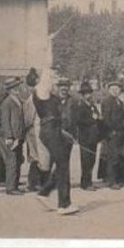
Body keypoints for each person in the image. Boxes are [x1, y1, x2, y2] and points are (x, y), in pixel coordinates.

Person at [33, 69, 79, 215]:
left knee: (61, 165)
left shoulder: (50, 97)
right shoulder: (42, 93)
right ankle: (64, 205)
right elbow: (45, 81)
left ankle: (44, 192)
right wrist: (48, 72)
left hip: (55, 131)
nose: (54, 82)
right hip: (51, 131)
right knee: (63, 165)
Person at [0, 76, 26, 194]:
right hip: (12, 137)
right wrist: (9, 136)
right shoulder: (7, 103)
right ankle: (10, 187)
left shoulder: (18, 100)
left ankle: (15, 184)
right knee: (12, 161)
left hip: (19, 136)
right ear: (10, 90)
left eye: (18, 86)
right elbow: (5, 121)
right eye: (15, 87)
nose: (18, 89)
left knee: (18, 160)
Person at [22, 68, 48, 190]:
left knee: (41, 156)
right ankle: (34, 182)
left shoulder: (36, 97)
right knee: (35, 156)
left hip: (40, 130)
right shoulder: (32, 99)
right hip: (34, 131)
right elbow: (28, 119)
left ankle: (40, 181)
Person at [73, 80, 101, 190]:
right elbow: (79, 120)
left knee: (92, 159)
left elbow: (97, 116)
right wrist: (92, 119)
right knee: (86, 160)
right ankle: (85, 183)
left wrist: (98, 118)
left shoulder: (92, 105)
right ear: (82, 95)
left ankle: (89, 181)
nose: (88, 95)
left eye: (89, 93)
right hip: (85, 137)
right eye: (86, 93)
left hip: (93, 137)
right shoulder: (80, 106)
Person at [100, 80, 124, 189]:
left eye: (118, 89)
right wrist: (110, 131)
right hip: (112, 133)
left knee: (117, 156)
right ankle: (111, 181)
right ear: (109, 90)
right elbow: (106, 118)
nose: (116, 91)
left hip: (119, 132)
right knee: (112, 157)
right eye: (113, 89)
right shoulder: (107, 101)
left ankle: (115, 178)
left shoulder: (119, 101)